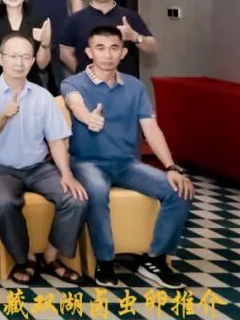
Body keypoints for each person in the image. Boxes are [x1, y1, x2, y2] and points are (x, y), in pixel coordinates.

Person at [62, 26, 192, 289]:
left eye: (114, 48)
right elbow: (75, 103)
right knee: (96, 191)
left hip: (126, 164)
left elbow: (151, 128)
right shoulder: (73, 83)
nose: (107, 55)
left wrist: (171, 166)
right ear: (89, 52)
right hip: (87, 162)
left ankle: (155, 260)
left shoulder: (135, 87)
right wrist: (88, 118)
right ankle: (105, 261)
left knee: (179, 190)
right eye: (100, 48)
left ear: (123, 53)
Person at [0, 33, 87, 285]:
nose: (20, 62)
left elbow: (56, 140)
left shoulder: (42, 95)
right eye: (13, 56)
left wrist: (66, 174)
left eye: (26, 57)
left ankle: (51, 256)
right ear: (0, 59)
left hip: (39, 168)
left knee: (76, 198)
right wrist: (4, 114)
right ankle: (24, 258)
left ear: (33, 61)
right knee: (5, 203)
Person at [59, 0, 156, 79]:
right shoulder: (75, 19)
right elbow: (64, 52)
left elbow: (152, 47)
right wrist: (84, 75)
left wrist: (134, 36)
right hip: (88, 86)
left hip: (125, 84)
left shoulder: (130, 17)